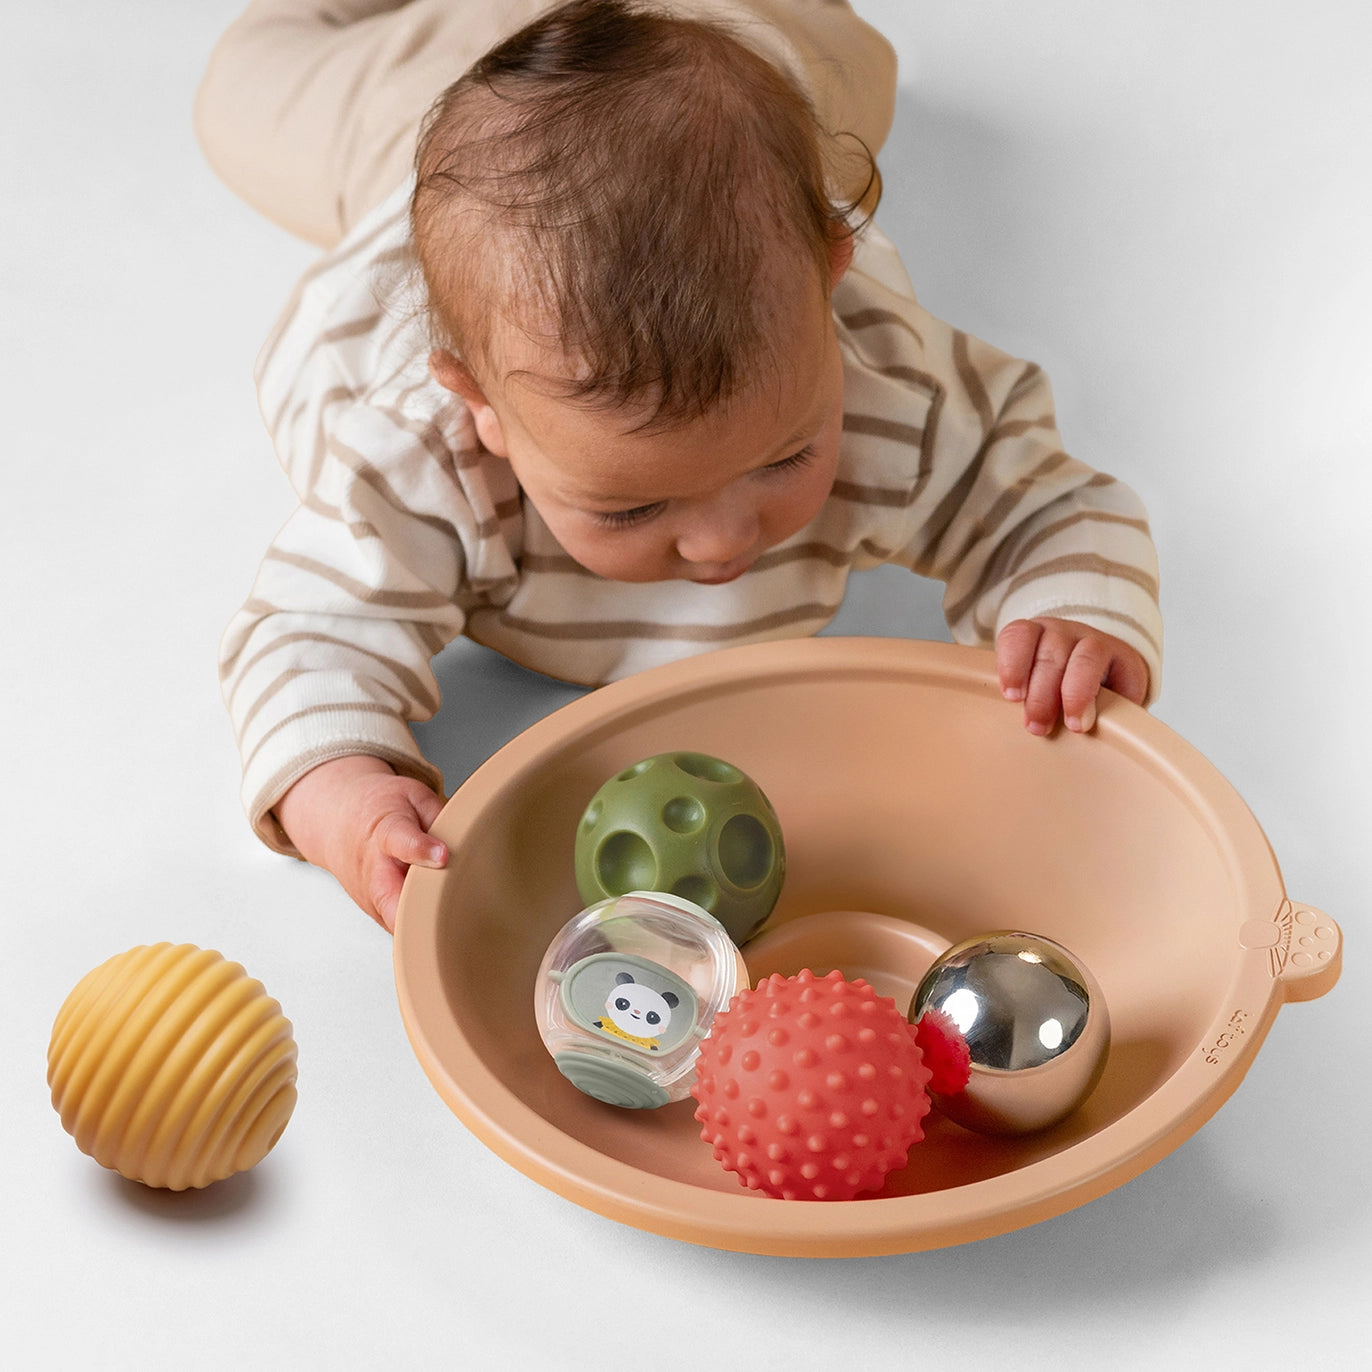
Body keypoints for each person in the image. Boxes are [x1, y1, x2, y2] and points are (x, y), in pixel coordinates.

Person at [196, 0, 1163, 930]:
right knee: (241, 95)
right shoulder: (425, 461)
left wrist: (1070, 613)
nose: (721, 542)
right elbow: (307, 634)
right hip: (412, 121)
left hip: (704, 62)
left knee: (849, 62)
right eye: (629, 510)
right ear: (483, 410)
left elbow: (1044, 503)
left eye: (786, 455)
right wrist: (343, 795)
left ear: (832, 273)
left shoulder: (885, 389)